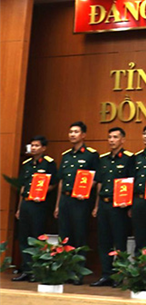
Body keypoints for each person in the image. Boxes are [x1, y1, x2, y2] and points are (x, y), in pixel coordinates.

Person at [55, 121, 99, 284]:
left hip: (80, 201)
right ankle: (65, 271)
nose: (72, 134)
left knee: (79, 235)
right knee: (64, 236)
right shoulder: (66, 155)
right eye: (70, 132)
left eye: (76, 132)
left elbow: (96, 178)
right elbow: (61, 181)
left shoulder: (91, 155)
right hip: (65, 199)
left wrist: (85, 191)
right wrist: (58, 204)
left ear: (83, 135)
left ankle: (78, 273)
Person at [91, 127, 134, 287]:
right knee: (104, 241)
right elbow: (99, 183)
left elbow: (131, 182)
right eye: (109, 137)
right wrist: (96, 206)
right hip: (104, 204)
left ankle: (119, 275)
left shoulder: (129, 158)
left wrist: (129, 204)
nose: (111, 140)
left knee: (119, 242)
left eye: (115, 137)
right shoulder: (103, 159)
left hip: (119, 206)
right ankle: (106, 274)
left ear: (122, 140)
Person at [13, 136, 56, 282]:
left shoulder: (49, 163)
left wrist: (41, 193)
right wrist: (19, 208)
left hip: (39, 205)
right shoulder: (26, 164)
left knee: (37, 237)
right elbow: (23, 187)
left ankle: (37, 270)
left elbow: (53, 184)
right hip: (26, 203)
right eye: (32, 145)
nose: (34, 148)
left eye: (37, 146)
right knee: (23, 237)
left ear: (43, 148)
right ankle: (26, 269)